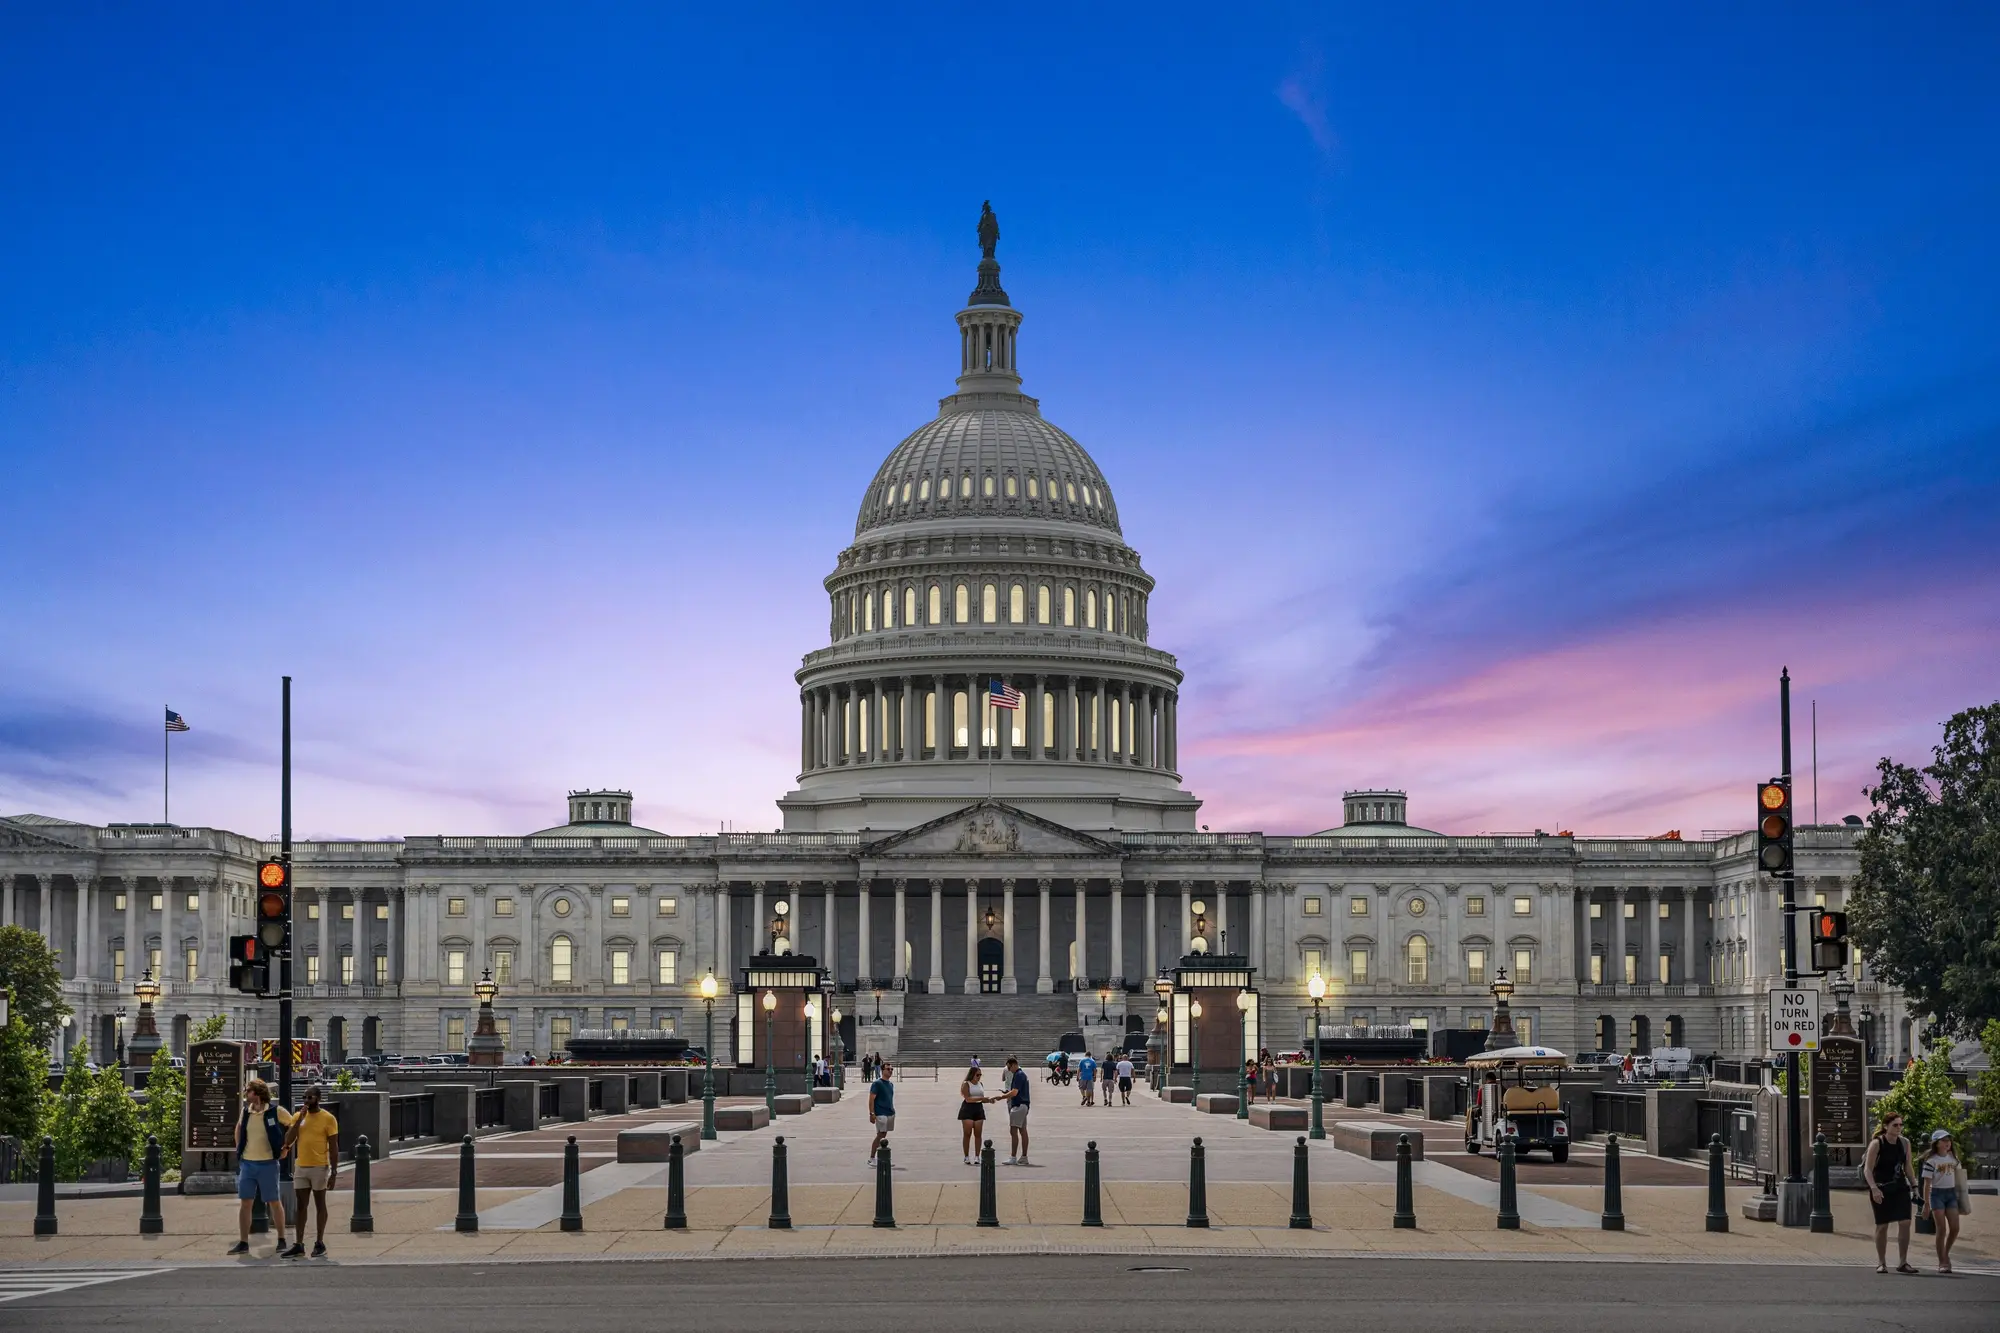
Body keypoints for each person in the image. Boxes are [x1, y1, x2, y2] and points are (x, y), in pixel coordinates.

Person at [228, 1078, 292, 1256]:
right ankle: (243, 1242)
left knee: (274, 1201)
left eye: (248, 1090)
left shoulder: (275, 1111)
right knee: (245, 1202)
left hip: (268, 1163)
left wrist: (286, 1147)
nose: (245, 1093)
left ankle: (281, 1239)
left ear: (256, 1093)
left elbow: (293, 1124)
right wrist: (239, 1148)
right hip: (248, 1163)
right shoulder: (246, 1111)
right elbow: (239, 1128)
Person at [283, 1086, 339, 1258]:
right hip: (301, 1166)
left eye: (310, 1097)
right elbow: (288, 1140)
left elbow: (334, 1146)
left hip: (319, 1167)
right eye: (305, 1097)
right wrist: (299, 1119)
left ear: (318, 1098)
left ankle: (319, 1242)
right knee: (301, 1206)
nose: (306, 1101)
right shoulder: (298, 1117)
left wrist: (334, 1171)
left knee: (320, 1203)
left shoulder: (328, 1119)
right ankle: (299, 1244)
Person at [1864, 1111, 1918, 1274]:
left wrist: (1914, 1186)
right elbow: (1868, 1169)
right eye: (1895, 1125)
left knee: (1905, 1222)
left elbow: (1907, 1165)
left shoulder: (1905, 1143)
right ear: (1886, 1126)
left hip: (1900, 1186)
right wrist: (1874, 1188)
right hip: (1881, 1187)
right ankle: (1881, 1262)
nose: (1899, 1128)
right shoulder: (1877, 1143)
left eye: (1901, 1125)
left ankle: (1903, 1262)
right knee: (1882, 1225)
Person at [1919, 1128, 1967, 1274]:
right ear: (1937, 1143)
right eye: (1944, 1140)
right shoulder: (1931, 1161)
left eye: (1948, 1140)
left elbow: (1960, 1177)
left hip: (1951, 1194)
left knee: (1955, 1227)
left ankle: (1945, 1253)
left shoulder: (1953, 1159)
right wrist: (1926, 1204)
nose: (1947, 1143)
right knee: (1941, 1229)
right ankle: (1942, 1261)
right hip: (1937, 1195)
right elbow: (1927, 1184)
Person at [957, 1064, 991, 1163]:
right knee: (967, 1134)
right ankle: (966, 1156)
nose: (979, 1077)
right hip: (968, 1109)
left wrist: (988, 1100)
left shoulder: (981, 1084)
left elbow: (982, 1098)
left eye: (980, 1075)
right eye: (977, 1075)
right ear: (972, 1075)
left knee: (978, 1134)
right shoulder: (966, 1084)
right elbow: (968, 1099)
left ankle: (977, 1156)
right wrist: (981, 1098)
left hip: (978, 1108)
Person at [1001, 1056, 1032, 1165]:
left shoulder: (1019, 1075)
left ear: (1014, 1064)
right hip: (1024, 1105)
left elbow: (1014, 1092)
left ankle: (1013, 1157)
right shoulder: (1021, 1074)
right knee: (1023, 1130)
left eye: (1009, 1068)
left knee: (1013, 1130)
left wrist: (1001, 1097)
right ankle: (1024, 1156)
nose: (1009, 1070)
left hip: (1018, 1105)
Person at [867, 1060, 895, 1165]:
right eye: (888, 1069)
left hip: (889, 1112)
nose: (890, 1071)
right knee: (880, 1134)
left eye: (892, 1069)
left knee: (883, 1135)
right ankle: (872, 1158)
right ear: (882, 1070)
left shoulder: (891, 1084)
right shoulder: (877, 1083)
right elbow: (871, 1099)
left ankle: (880, 1157)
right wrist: (872, 1113)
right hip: (880, 1113)